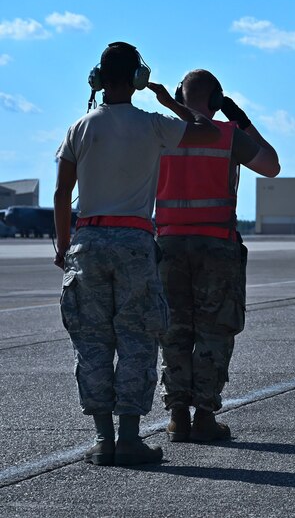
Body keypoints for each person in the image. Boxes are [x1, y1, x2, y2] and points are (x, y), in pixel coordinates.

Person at [54, 42, 219, 466]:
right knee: (137, 340)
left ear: (97, 78)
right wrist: (167, 100)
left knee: (92, 344)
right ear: (138, 78)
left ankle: (102, 441)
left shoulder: (79, 127)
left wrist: (62, 247)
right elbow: (208, 130)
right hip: (133, 243)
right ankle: (129, 439)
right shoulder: (153, 124)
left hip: (87, 244)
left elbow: (60, 194)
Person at [157, 69, 280, 443]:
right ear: (216, 101)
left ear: (179, 95)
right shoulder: (228, 136)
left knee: (173, 329)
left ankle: (177, 415)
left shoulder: (161, 133)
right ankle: (205, 415)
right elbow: (271, 166)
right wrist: (238, 118)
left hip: (168, 245)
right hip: (216, 245)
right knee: (215, 329)